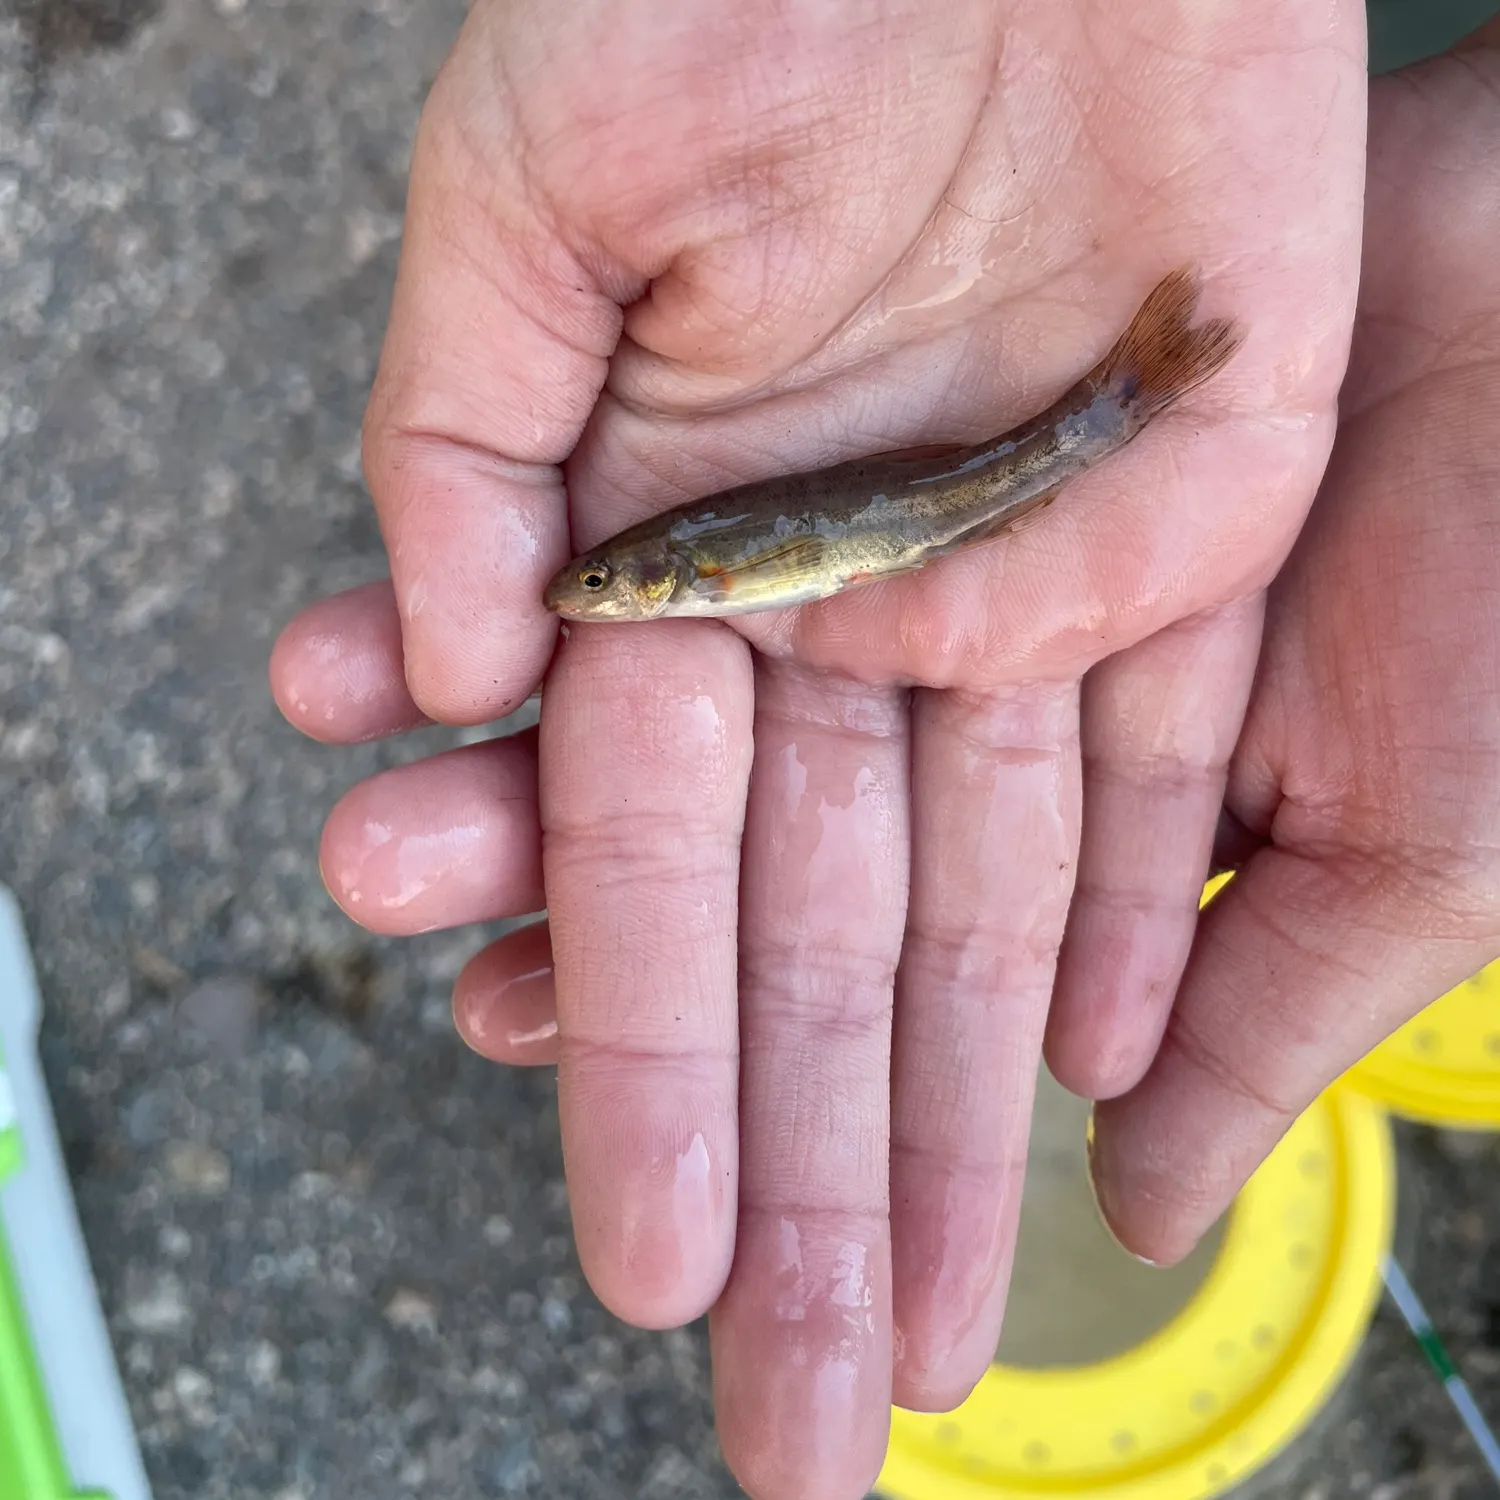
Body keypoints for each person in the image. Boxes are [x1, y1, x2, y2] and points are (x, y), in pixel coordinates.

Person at [269, 5, 1500, 1497]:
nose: (592, 599)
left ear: (663, 584)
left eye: (607, 587)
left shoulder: (688, 574)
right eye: (602, 589)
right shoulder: (683, 567)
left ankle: (1129, 395)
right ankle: (1131, 390)